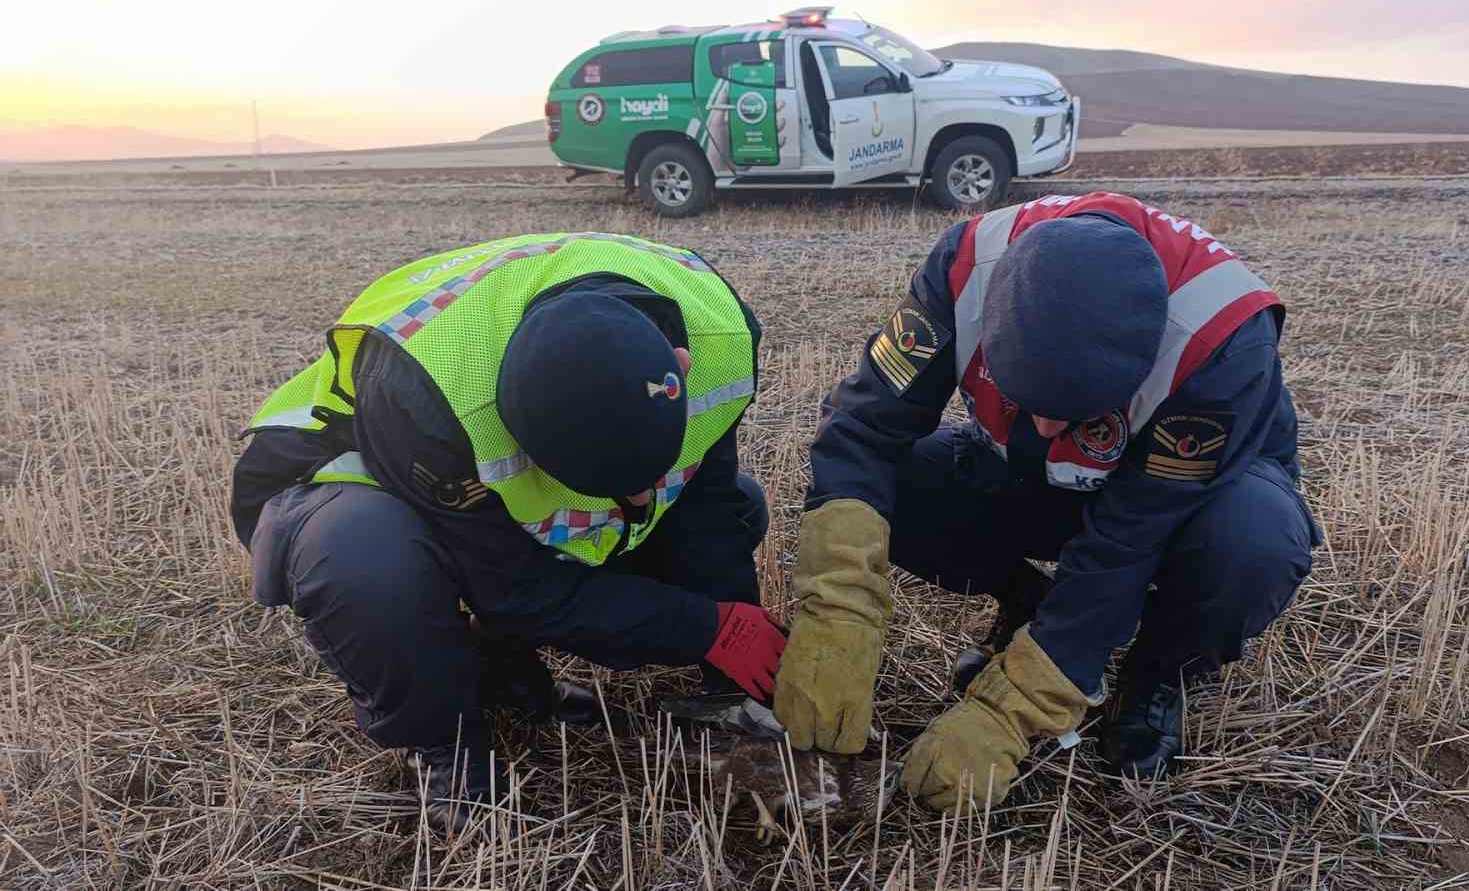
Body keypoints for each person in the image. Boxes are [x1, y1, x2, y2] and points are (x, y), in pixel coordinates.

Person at [773, 192, 1321, 812]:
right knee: (902, 482)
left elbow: (1129, 540)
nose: (1047, 423)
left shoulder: (1221, 337)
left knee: (1252, 544)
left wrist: (1017, 708)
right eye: (1024, 397)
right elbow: (864, 430)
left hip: (1183, 502)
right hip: (1033, 476)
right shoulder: (967, 266)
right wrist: (839, 608)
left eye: (1072, 412)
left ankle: (1155, 674)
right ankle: (1025, 605)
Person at [230, 232, 786, 832]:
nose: (647, 498)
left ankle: (502, 669)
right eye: (624, 484)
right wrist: (699, 627)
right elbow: (518, 587)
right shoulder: (434, 392)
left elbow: (704, 509)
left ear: (678, 369)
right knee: (366, 560)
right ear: (512, 424)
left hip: (471, 488)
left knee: (741, 505)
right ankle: (447, 743)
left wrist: (732, 652)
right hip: (342, 483)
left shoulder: (716, 329)